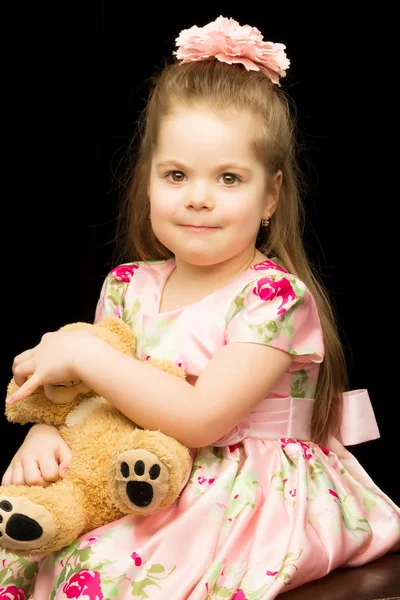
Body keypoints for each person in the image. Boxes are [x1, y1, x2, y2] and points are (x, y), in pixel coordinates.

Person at [0, 15, 399, 600]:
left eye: (230, 178)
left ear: (270, 196)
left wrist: (83, 353)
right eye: (177, 174)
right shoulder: (126, 285)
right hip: (130, 466)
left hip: (244, 487)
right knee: (34, 551)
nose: (199, 198)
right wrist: (44, 431)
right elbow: (86, 402)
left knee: (109, 571)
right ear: (149, 183)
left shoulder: (272, 297)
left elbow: (202, 420)